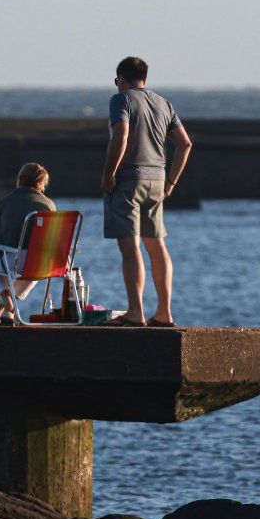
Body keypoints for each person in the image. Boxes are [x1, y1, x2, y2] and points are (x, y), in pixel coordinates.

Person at [100, 57, 193, 327]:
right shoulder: (164, 103)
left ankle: (135, 312)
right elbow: (185, 144)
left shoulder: (121, 99)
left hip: (128, 179)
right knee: (156, 245)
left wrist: (108, 175)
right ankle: (164, 312)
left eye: (118, 81)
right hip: (157, 179)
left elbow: (121, 135)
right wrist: (171, 183)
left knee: (130, 246)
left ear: (122, 79)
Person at [0, 162, 56, 324]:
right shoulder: (49, 205)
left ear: (21, 179)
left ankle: (5, 301)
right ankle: (3, 306)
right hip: (39, 265)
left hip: (10, 261)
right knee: (39, 264)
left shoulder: (5, 201)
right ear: (41, 183)